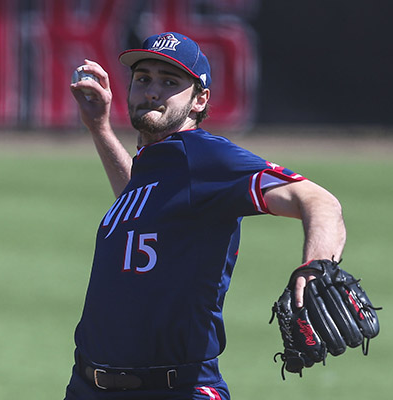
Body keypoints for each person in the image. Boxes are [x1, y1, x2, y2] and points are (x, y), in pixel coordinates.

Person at [64, 32, 346, 400]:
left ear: (200, 100)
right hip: (88, 388)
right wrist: (100, 128)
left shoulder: (205, 157)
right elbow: (145, 204)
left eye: (170, 82)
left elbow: (319, 201)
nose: (152, 90)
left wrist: (316, 267)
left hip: (173, 389)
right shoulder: (158, 166)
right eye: (144, 78)